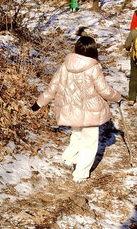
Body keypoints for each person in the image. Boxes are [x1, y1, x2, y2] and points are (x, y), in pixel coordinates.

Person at [31, 36, 121, 182]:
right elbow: (104, 90)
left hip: (72, 111)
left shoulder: (65, 66)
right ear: (93, 50)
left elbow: (52, 87)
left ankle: (68, 159)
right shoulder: (94, 68)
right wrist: (118, 97)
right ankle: (80, 173)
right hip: (90, 113)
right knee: (90, 144)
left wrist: (38, 104)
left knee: (77, 135)